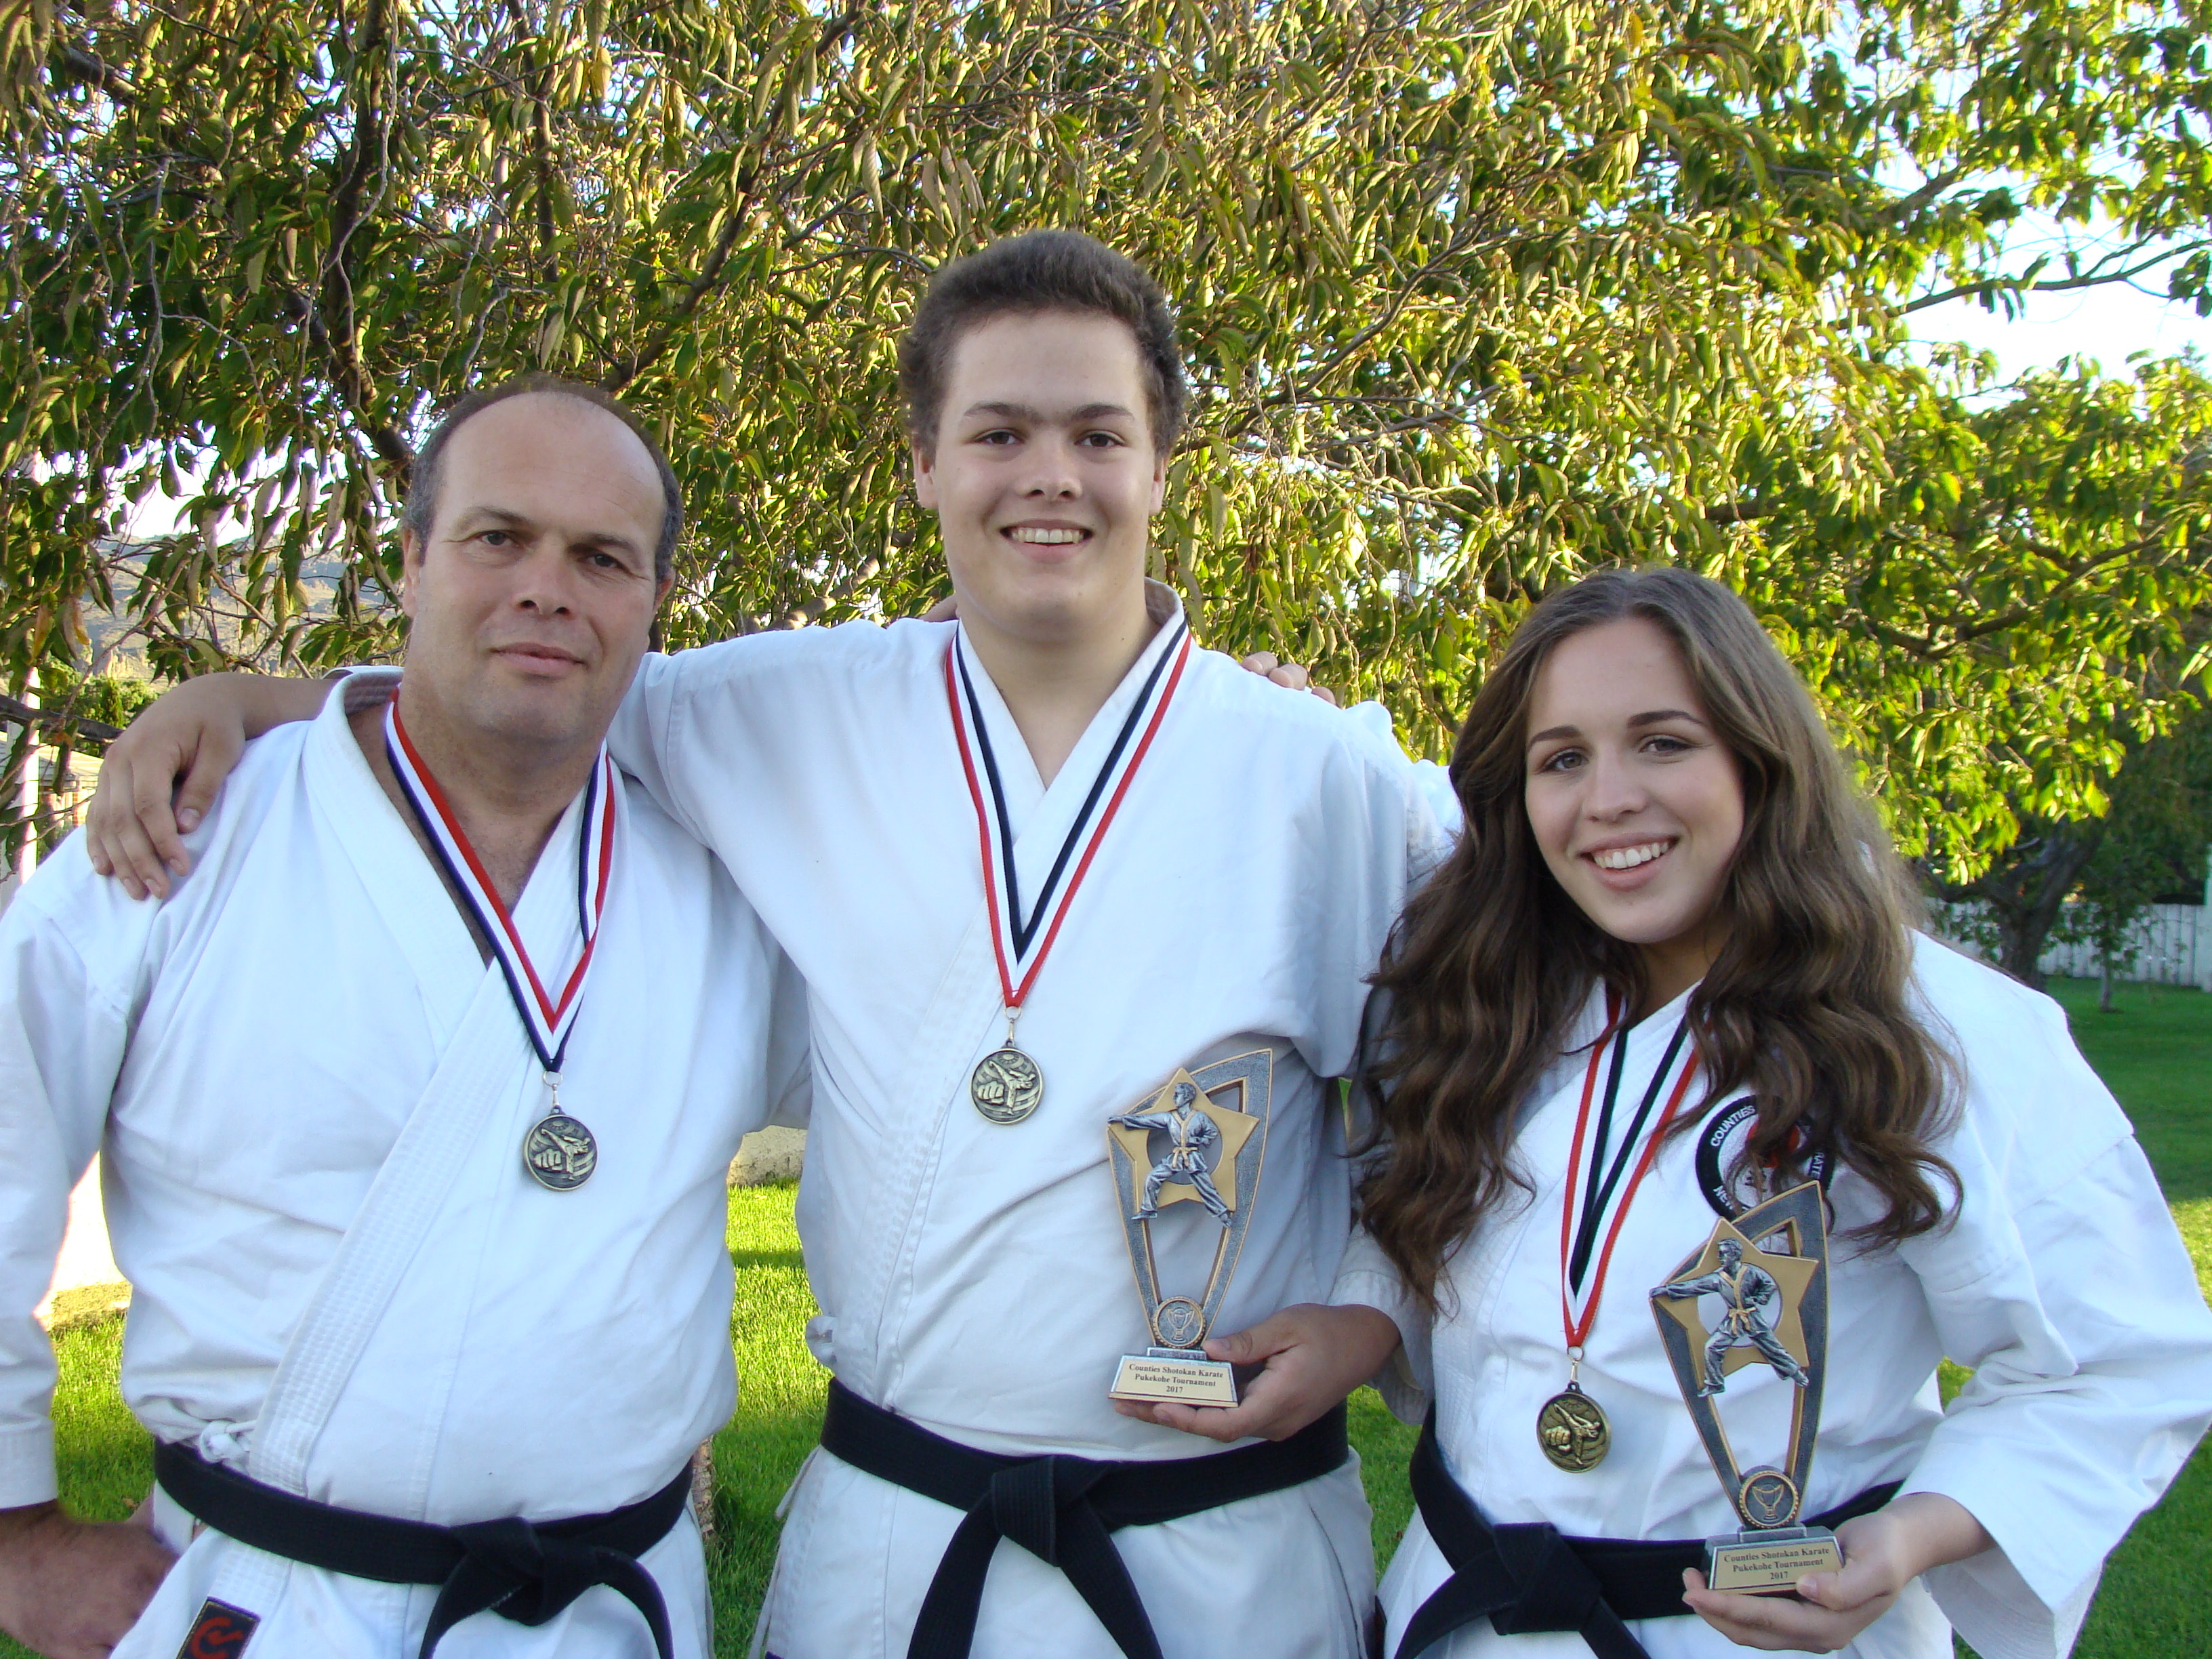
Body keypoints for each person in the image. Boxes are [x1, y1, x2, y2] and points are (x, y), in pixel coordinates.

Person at [83, 231, 1453, 1659]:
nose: (1049, 473)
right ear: (926, 462)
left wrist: (1366, 1313)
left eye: (1096, 433)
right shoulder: (783, 709)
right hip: (897, 1539)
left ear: (1160, 466)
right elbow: (527, 677)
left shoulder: (1325, 780)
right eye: (998, 431)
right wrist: (251, 697)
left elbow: (1477, 1082)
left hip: (1223, 1558)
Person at [0, 377, 806, 1658]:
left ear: (652, 604)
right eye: (499, 538)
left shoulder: (724, 886)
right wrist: (14, 1535)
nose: (548, 587)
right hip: (273, 1605)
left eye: (602, 557)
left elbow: (947, 1076)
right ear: (414, 559)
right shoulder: (186, 838)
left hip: (610, 1610)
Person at [1356, 567, 2212, 1659]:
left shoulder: (1933, 1029)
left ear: (1761, 760)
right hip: (1468, 1614)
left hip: (1759, 1635)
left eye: (1664, 742)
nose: (1609, 797)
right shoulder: (1496, 1014)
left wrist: (1910, 1537)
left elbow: (2118, 1357)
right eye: (1561, 759)